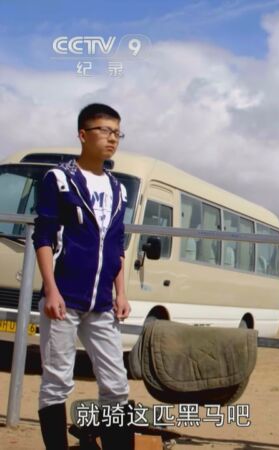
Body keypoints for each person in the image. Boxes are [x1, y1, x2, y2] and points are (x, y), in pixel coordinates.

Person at [33, 103, 133, 450]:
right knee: (57, 381)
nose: (112, 139)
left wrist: (121, 292)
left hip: (103, 303)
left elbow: (117, 244)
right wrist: (51, 290)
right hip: (64, 299)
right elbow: (43, 236)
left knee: (117, 384)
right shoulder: (59, 179)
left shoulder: (119, 189)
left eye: (117, 133)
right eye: (104, 131)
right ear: (82, 134)